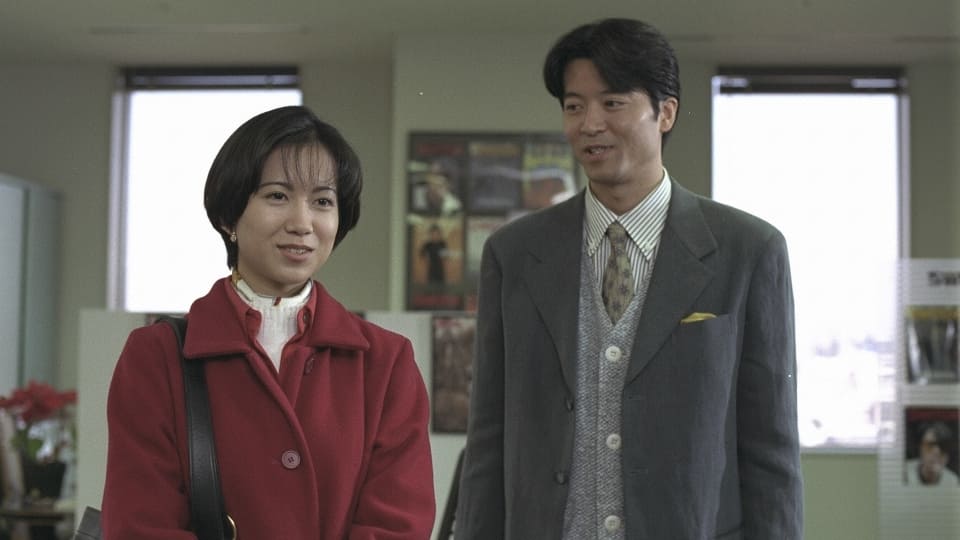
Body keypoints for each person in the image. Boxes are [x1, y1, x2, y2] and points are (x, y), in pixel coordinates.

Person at [456, 18, 803, 539]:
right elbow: (488, 438)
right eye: (574, 106)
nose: (590, 124)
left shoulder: (749, 250)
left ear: (666, 112)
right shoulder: (515, 254)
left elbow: (771, 452)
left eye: (613, 103)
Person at [101, 105, 435, 539]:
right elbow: (140, 524)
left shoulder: (386, 362)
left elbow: (397, 526)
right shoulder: (155, 357)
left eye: (322, 201)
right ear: (229, 216)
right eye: (277, 196)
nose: (302, 223)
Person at [905, 421, 960, 487]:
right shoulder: (904, 473)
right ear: (920, 448)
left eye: (943, 446)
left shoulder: (952, 481)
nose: (936, 452)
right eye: (930, 445)